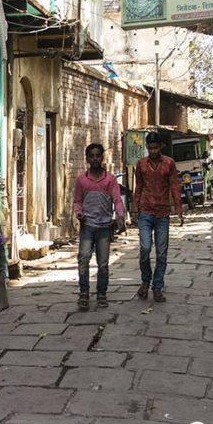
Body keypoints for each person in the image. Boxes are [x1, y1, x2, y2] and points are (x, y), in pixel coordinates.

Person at [73, 143, 126, 310]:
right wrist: (79, 212)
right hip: (87, 225)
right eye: (92, 156)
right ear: (87, 158)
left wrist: (120, 216)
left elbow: (117, 199)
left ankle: (102, 294)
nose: (95, 159)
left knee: (103, 263)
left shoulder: (110, 180)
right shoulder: (82, 180)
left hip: (104, 226)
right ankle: (84, 294)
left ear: (102, 158)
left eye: (98, 156)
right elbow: (77, 200)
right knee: (83, 259)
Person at [133, 132, 183, 303]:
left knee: (161, 253)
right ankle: (145, 280)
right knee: (145, 248)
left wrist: (179, 208)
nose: (153, 151)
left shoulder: (169, 163)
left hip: (162, 213)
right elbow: (138, 187)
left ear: (161, 146)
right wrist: (135, 209)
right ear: (146, 147)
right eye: (150, 148)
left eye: (156, 147)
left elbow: (175, 185)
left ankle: (158, 286)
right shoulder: (140, 165)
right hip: (145, 212)